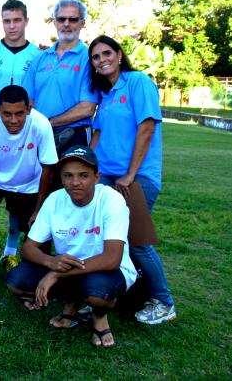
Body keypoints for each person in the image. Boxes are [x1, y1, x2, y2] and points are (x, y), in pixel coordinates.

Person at [6, 145, 137, 348]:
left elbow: (112, 259)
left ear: (97, 176)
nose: (75, 182)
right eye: (68, 176)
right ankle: (72, 303)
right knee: (16, 281)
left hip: (105, 269)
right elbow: (28, 247)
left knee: (97, 292)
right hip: (66, 266)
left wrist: (56, 274)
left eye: (83, 175)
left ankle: (99, 316)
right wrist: (50, 261)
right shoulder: (55, 199)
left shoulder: (112, 200)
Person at [87, 35, 176, 324]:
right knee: (103, 236)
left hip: (136, 178)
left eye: (106, 53)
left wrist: (130, 174)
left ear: (119, 53)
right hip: (108, 177)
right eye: (96, 57)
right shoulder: (106, 96)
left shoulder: (138, 82)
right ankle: (108, 293)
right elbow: (98, 137)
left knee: (135, 240)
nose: (102, 60)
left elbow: (147, 127)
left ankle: (164, 302)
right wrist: (88, 168)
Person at [0, 85, 57, 301]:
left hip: (29, 184)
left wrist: (39, 210)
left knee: (39, 234)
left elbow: (48, 169)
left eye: (19, 113)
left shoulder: (41, 124)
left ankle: (33, 282)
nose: (13, 120)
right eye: (7, 114)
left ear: (28, 109)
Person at [0, 0, 42, 274]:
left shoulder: (38, 56)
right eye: (7, 20)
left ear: (26, 21)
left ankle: (11, 250)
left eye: (16, 20)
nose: (12, 26)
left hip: (22, 135)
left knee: (19, 200)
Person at [22, 0, 97, 154]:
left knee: (70, 180)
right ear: (55, 22)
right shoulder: (40, 58)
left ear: (82, 23)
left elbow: (87, 108)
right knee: (39, 179)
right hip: (39, 134)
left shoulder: (89, 58)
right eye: (61, 19)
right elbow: (27, 100)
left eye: (73, 19)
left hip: (75, 136)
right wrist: (41, 126)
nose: (66, 24)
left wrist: (51, 122)